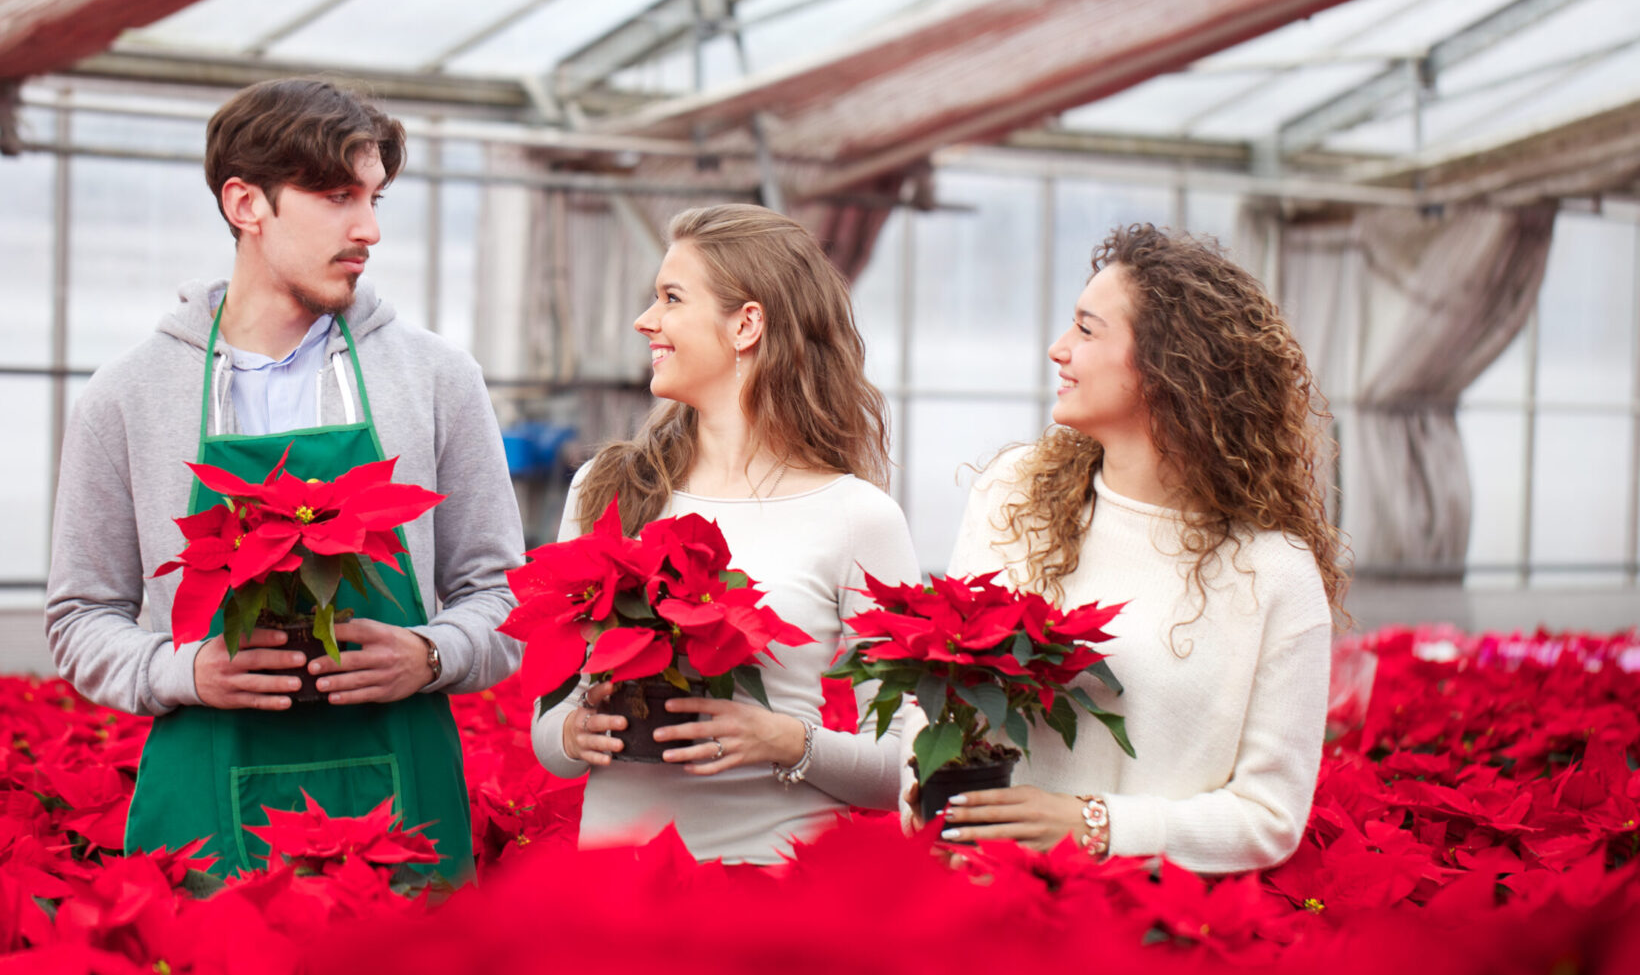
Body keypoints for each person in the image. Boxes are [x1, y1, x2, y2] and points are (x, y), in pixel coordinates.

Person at [46, 79, 524, 880]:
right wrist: (184, 670)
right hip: (205, 807)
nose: (368, 228)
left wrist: (431, 655)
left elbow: (504, 597)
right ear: (246, 204)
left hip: (405, 796)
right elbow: (80, 616)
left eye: (374, 198)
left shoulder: (439, 378)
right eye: (337, 196)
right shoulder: (126, 396)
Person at [933, 224, 1346, 873]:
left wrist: (1094, 825)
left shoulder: (1273, 571)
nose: (1057, 349)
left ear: (1166, 365)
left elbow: (1270, 818)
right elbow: (936, 694)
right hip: (986, 898)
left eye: (1087, 330)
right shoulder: (1013, 495)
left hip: (1149, 927)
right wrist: (932, 812)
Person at [530, 204, 920, 865]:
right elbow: (548, 731)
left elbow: (906, 768)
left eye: (670, 298)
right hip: (613, 898)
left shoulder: (858, 516)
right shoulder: (606, 487)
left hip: (772, 896)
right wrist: (575, 731)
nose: (644, 321)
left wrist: (785, 740)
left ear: (746, 324)